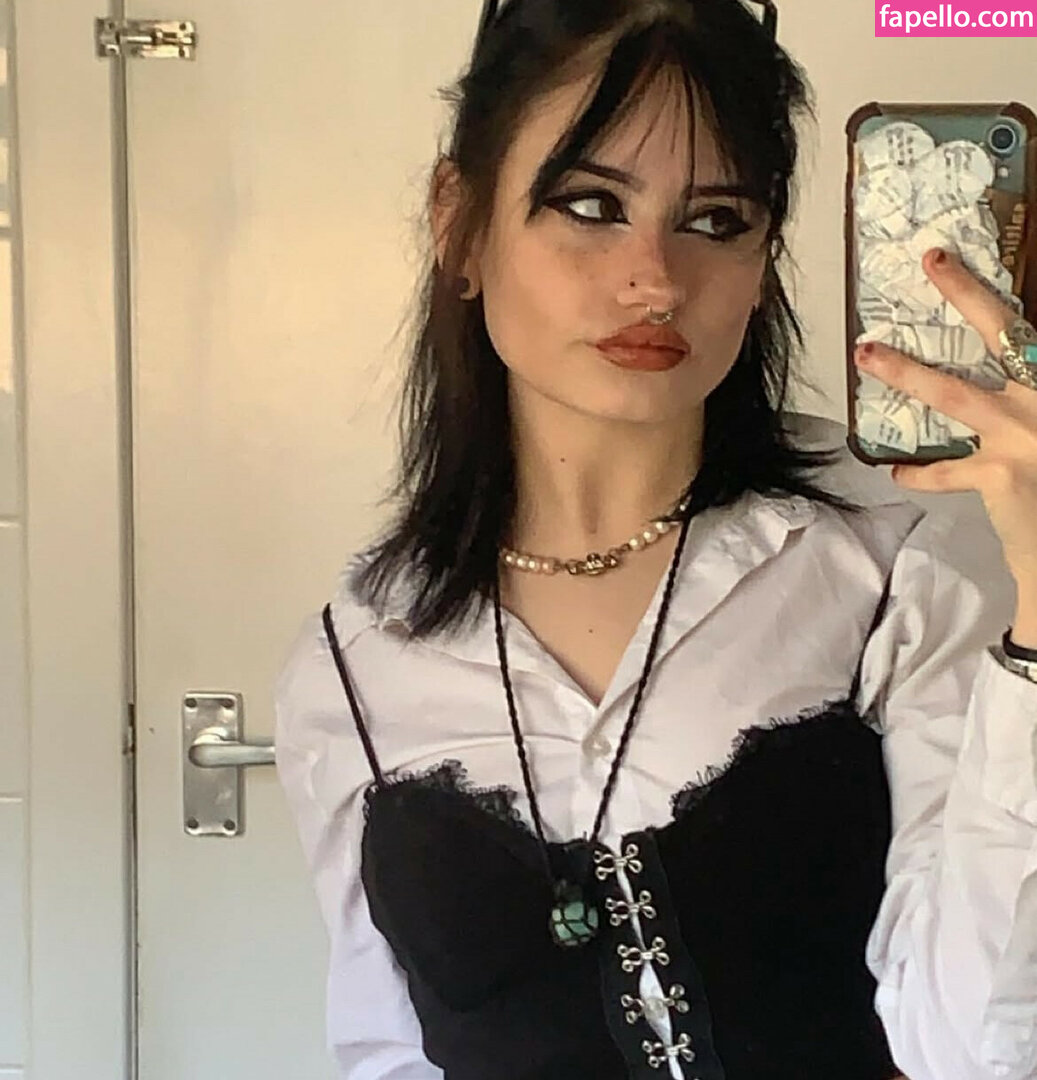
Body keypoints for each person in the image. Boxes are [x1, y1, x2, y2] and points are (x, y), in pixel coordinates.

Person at [274, 2, 1037, 1078]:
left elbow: (973, 1050)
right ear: (459, 224)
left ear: (764, 257)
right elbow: (383, 1048)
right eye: (590, 205)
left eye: (715, 220)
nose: (656, 279)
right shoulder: (352, 662)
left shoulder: (891, 561)